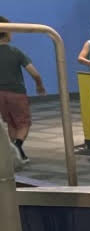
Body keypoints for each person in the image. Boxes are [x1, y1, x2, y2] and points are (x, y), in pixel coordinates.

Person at [0, 16, 46, 168]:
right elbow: (34, 73)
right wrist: (39, 85)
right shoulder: (15, 52)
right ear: (7, 32)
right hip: (16, 93)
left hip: (0, 94)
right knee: (24, 123)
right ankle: (17, 146)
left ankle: (18, 155)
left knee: (11, 123)